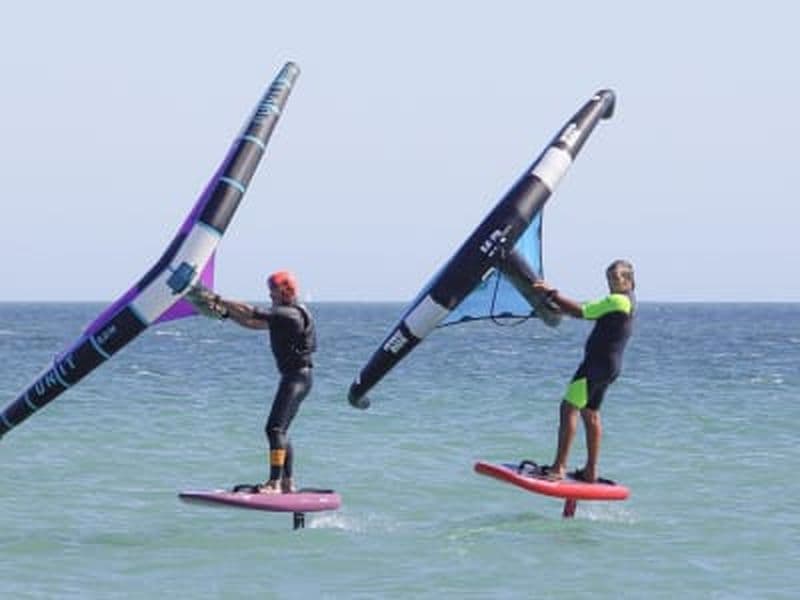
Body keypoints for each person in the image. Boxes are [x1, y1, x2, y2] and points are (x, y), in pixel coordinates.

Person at [192, 270, 316, 494]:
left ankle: (274, 483)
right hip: (296, 377)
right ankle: (287, 483)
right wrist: (225, 314)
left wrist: (216, 298)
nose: (270, 296)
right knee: (280, 430)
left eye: (272, 292)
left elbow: (250, 311)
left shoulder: (291, 314)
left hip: (297, 377)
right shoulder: (285, 315)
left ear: (285, 291)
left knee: (274, 428)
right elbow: (251, 322)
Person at [532, 259, 635, 483]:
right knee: (590, 413)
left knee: (569, 407)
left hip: (595, 366)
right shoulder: (626, 302)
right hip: (609, 367)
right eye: (609, 279)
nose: (611, 283)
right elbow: (584, 311)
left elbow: (582, 310)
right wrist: (556, 306)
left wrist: (553, 293)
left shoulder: (618, 300)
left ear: (628, 280)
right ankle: (590, 471)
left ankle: (558, 467)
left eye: (616, 279)